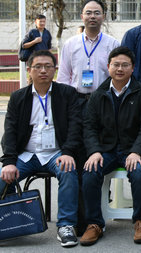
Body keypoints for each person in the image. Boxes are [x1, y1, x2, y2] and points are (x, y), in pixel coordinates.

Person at [0, 50, 82, 248]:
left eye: (48, 66)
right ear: (29, 70)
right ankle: (7, 224)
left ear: (55, 69)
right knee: (1, 177)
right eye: (38, 67)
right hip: (27, 155)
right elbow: (9, 131)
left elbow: (75, 126)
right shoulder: (18, 97)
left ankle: (66, 226)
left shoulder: (67, 93)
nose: (43, 70)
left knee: (68, 170)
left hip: (56, 154)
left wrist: (68, 152)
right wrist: (9, 162)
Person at [80, 46, 141, 245]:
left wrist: (137, 151)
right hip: (106, 150)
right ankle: (94, 224)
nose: (120, 69)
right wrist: (94, 151)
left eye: (125, 65)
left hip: (133, 149)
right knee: (90, 172)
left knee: (138, 173)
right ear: (108, 67)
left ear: (133, 68)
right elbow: (89, 126)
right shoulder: (98, 95)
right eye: (116, 65)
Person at [57, 0, 120, 99]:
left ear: (103, 17)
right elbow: (63, 77)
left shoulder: (113, 44)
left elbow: (118, 76)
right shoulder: (70, 44)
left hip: (103, 100)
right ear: (82, 16)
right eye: (88, 13)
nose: (92, 16)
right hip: (76, 100)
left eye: (97, 13)